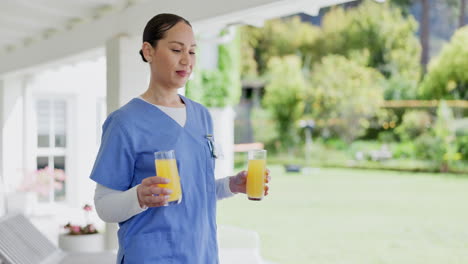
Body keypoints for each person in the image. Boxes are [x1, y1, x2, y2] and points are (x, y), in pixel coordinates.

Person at [90, 13, 270, 264]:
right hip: (151, 257)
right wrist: (139, 196)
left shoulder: (202, 116)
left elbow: (195, 190)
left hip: (201, 253)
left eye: (192, 52)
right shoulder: (125, 122)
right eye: (176, 49)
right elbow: (104, 205)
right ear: (148, 51)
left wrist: (232, 185)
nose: (186, 60)